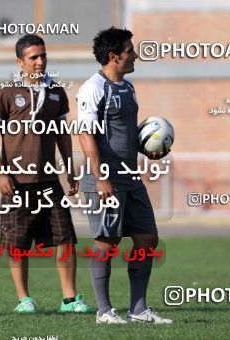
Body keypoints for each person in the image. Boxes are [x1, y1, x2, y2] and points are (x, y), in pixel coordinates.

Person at [0, 34, 95, 314]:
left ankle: (70, 299)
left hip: (49, 181)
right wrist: (0, 172)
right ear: (20, 62)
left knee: (66, 239)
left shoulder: (56, 92)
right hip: (16, 183)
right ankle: (24, 299)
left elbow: (63, 135)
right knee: (17, 244)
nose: (40, 61)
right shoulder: (6, 92)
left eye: (43, 55)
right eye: (33, 57)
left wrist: (70, 169)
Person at [77, 27, 172, 324]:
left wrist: (147, 151)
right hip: (106, 177)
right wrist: (101, 175)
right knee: (108, 240)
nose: (135, 54)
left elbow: (125, 133)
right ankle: (104, 311)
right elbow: (85, 134)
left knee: (147, 239)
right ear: (114, 56)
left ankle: (139, 309)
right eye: (130, 50)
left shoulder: (128, 87)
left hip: (131, 176)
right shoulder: (93, 87)